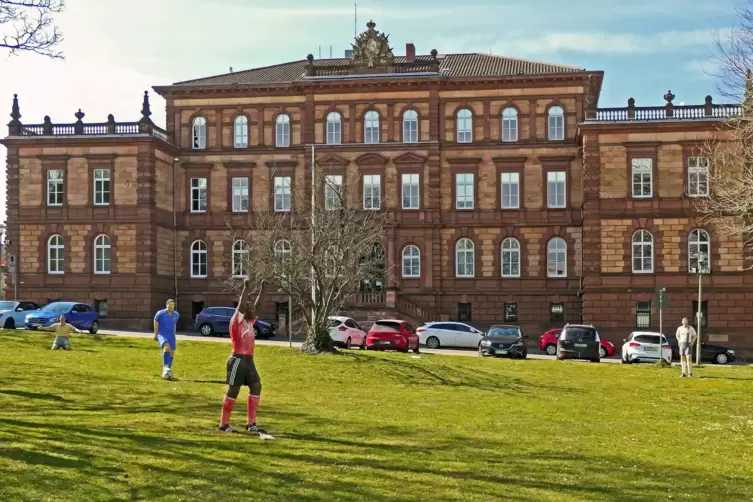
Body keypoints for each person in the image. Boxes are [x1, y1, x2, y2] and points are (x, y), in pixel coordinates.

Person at [219, 278, 269, 435]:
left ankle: (251, 423)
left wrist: (264, 290)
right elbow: (242, 304)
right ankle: (223, 424)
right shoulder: (237, 320)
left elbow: (259, 307)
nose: (255, 310)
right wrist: (246, 288)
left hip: (249, 361)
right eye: (251, 307)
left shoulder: (249, 322)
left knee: (256, 386)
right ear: (245, 310)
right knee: (234, 389)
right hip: (237, 360)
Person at [153, 299, 180, 380]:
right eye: (169, 304)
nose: (171, 306)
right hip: (162, 334)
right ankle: (165, 368)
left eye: (172, 304)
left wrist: (174, 334)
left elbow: (174, 324)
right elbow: (155, 321)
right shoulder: (160, 313)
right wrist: (156, 334)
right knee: (166, 348)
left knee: (172, 353)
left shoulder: (176, 314)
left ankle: (167, 370)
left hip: (171, 335)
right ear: (166, 304)